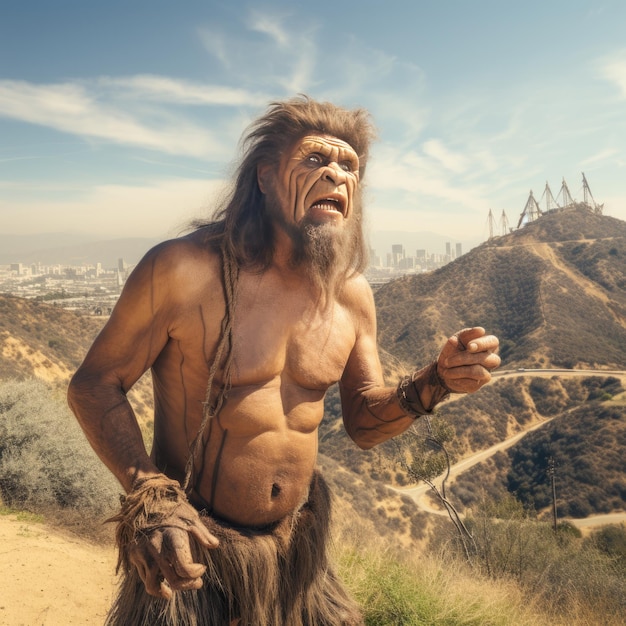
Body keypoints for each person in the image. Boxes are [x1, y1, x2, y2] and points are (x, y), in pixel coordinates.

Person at [67, 95, 500, 626]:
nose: (336, 175)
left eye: (349, 167)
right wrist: (151, 497)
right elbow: (94, 384)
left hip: (298, 554)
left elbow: (364, 422)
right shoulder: (184, 269)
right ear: (266, 177)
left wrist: (436, 382)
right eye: (316, 159)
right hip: (192, 549)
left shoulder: (351, 295)